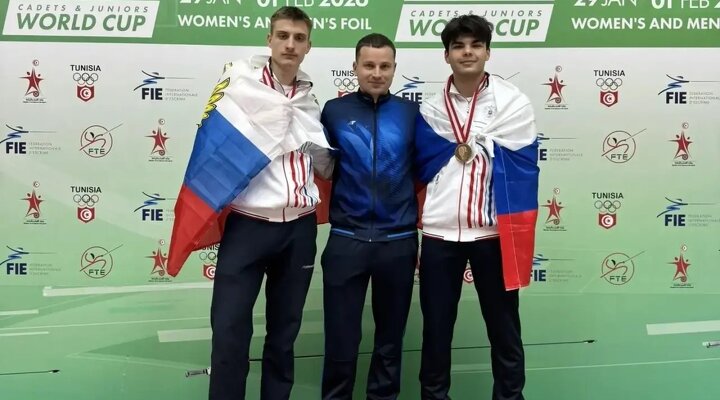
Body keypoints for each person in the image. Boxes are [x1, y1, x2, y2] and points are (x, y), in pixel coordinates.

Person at [165, 6, 331, 400]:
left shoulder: (310, 101)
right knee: (229, 333)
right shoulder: (240, 87)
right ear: (269, 39)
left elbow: (323, 167)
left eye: (299, 38)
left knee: (284, 335)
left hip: (298, 229)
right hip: (248, 227)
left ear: (308, 46)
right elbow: (212, 150)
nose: (290, 44)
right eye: (283, 36)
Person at [413, 15, 540, 400]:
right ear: (446, 55)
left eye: (475, 45)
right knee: (436, 331)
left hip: (491, 234)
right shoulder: (430, 109)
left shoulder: (511, 103)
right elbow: (418, 167)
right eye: (458, 46)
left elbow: (522, 166)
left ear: (487, 52)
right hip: (439, 235)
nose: (467, 52)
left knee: (504, 329)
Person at [319, 33, 420, 400]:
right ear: (355, 67)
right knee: (340, 343)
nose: (377, 73)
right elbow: (321, 167)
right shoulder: (333, 111)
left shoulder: (412, 114)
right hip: (347, 240)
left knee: (390, 344)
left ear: (394, 69)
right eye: (369, 65)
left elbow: (425, 169)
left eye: (384, 66)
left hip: (398, 243)